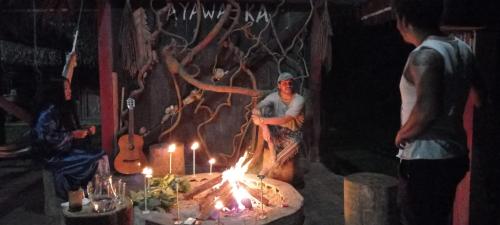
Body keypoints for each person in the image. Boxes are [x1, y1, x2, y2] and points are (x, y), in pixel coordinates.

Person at [392, 0, 483, 224]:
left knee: (417, 218)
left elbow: (427, 109)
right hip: (455, 153)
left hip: (426, 158)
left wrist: (402, 134)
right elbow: (481, 98)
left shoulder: (424, 55)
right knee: (439, 216)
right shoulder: (463, 50)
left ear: (403, 20)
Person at [31, 52, 106, 200]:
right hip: (52, 156)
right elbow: (46, 141)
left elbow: (67, 131)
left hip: (63, 150)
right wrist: (72, 135)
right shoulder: (47, 113)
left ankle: (93, 192)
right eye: (65, 89)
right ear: (57, 92)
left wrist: (85, 132)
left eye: (69, 88)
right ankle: (83, 193)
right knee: (96, 158)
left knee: (99, 154)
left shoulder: (60, 108)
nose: (69, 91)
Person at [252, 72, 305, 177]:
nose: (288, 85)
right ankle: (272, 153)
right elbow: (256, 109)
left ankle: (272, 165)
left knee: (296, 142)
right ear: (279, 85)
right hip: (276, 131)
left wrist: (262, 121)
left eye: (290, 83)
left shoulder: (299, 100)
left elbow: (285, 119)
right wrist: (264, 127)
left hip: (292, 134)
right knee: (263, 110)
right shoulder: (274, 97)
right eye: (285, 83)